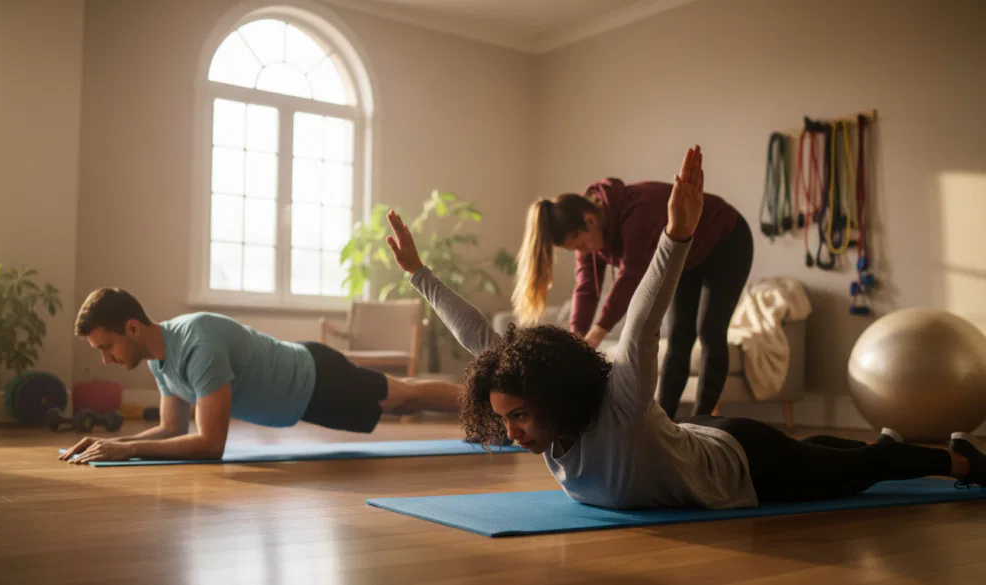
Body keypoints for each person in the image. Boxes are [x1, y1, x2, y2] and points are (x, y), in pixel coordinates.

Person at [387, 145, 986, 509]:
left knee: (858, 474)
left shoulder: (620, 405)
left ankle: (961, 462)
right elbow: (483, 342)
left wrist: (676, 236)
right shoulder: (548, 412)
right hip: (703, 435)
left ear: (549, 396)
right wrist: (418, 274)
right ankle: (886, 445)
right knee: (820, 453)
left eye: (518, 416)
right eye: (506, 418)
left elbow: (644, 320)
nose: (511, 431)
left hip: (748, 467)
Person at [59, 291, 462, 464]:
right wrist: (114, 445)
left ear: (132, 328)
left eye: (106, 347)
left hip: (316, 376)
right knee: (400, 404)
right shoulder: (157, 360)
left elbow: (211, 444)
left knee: (405, 397)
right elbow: (171, 429)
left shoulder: (197, 342)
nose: (106, 360)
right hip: (304, 400)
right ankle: (483, 409)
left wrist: (129, 450)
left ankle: (484, 401)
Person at [511, 162, 753, 420]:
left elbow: (630, 277)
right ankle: (664, 422)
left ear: (590, 221)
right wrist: (577, 340)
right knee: (679, 336)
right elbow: (586, 288)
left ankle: (701, 421)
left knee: (709, 330)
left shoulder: (638, 211)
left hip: (727, 240)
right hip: (688, 257)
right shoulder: (588, 232)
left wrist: (597, 333)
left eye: (580, 245)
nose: (583, 251)